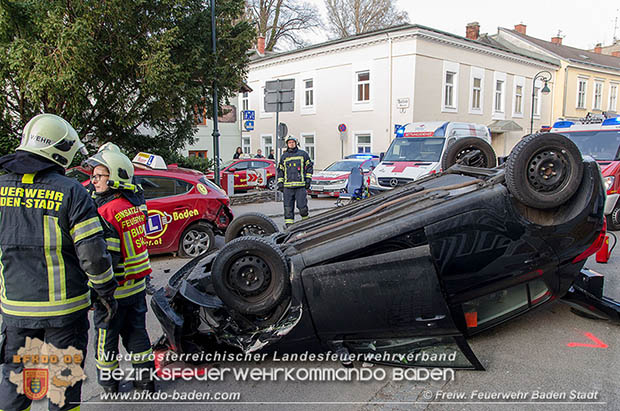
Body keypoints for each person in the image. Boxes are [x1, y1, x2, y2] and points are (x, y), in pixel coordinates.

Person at [0, 114, 117, 411]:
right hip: (65, 312)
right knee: (62, 389)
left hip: (15, 312)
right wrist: (105, 292)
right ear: (60, 150)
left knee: (16, 386)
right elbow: (94, 255)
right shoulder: (71, 191)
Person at [84, 147, 155, 393]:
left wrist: (97, 289)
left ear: (113, 176)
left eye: (99, 176)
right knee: (137, 334)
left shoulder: (106, 211)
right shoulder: (131, 205)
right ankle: (145, 381)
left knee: (106, 338)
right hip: (136, 286)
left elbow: (105, 257)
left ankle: (109, 383)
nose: (93, 181)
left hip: (114, 290)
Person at [277, 136, 313, 227]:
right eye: (289, 143)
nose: (291, 144)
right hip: (287, 188)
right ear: (287, 144)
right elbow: (280, 170)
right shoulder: (284, 156)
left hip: (300, 187)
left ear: (296, 143)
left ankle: (306, 224)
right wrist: (280, 182)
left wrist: (308, 179)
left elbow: (309, 167)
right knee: (288, 209)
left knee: (303, 208)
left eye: (293, 142)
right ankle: (290, 227)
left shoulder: (303, 154)